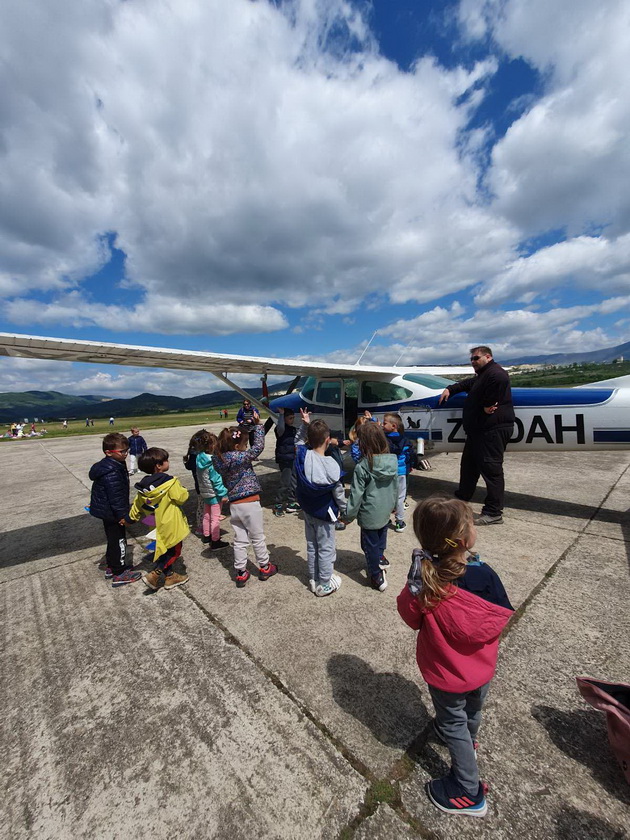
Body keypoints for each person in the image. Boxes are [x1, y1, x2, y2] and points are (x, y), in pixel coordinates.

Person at [397, 496, 513, 817]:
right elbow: (499, 616)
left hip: (446, 675)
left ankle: (466, 787)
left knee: (452, 723)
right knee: (471, 712)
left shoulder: (424, 580)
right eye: (472, 522)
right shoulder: (485, 574)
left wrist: (413, 589)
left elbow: (410, 617)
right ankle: (469, 744)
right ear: (463, 540)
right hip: (481, 669)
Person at [438, 346, 515, 526]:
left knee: (491, 469)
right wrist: (450, 388)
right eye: (471, 359)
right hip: (478, 431)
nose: (473, 361)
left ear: (488, 357)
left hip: (491, 430)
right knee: (468, 465)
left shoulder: (496, 374)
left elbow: (489, 397)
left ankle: (494, 512)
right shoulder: (484, 375)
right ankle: (462, 497)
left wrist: (484, 406)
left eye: (476, 358)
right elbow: (468, 384)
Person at [214, 425, 277, 588]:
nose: (246, 448)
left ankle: (241, 572)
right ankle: (265, 567)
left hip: (235, 505)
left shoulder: (220, 459)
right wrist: (259, 427)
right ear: (236, 447)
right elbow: (258, 447)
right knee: (257, 537)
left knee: (240, 540)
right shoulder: (239, 457)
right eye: (244, 445)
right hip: (250, 502)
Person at [294, 409, 344, 597]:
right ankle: (324, 583)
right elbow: (338, 493)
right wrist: (346, 511)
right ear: (327, 439)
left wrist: (305, 424)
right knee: (326, 547)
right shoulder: (331, 465)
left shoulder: (302, 456)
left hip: (307, 509)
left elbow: (298, 442)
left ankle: (314, 577)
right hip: (324, 512)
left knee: (312, 544)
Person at [128, 447, 190, 590]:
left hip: (154, 524)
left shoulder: (143, 487)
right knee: (174, 550)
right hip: (170, 525)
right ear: (159, 466)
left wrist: (131, 518)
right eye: (166, 460)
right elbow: (181, 498)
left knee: (163, 550)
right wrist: (184, 490)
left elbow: (137, 505)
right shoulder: (170, 482)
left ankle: (170, 577)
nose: (168, 462)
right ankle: (156, 574)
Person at [345, 422, 398, 592]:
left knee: (368, 545)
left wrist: (348, 516)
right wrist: (395, 504)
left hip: (369, 514)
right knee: (381, 538)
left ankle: (376, 576)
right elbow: (396, 486)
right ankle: (380, 558)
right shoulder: (392, 461)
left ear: (364, 443)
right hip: (385, 510)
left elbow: (356, 495)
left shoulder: (363, 466)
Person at [88, 432, 142, 587]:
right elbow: (116, 497)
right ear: (108, 452)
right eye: (122, 451)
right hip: (112, 512)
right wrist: (124, 516)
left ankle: (111, 566)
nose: (126, 454)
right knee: (119, 541)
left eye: (127, 450)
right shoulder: (112, 471)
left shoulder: (112, 464)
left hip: (106, 510)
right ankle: (119, 572)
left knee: (112, 539)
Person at [191, 429, 229, 549]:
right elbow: (216, 481)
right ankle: (215, 540)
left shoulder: (199, 458)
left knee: (206, 515)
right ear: (212, 445)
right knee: (215, 518)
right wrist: (223, 494)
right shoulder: (212, 462)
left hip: (204, 492)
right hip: (214, 494)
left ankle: (206, 535)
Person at [382, 412, 415, 533]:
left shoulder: (384, 439)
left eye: (384, 423)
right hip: (401, 472)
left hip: (388, 471)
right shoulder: (405, 440)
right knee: (400, 498)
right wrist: (411, 466)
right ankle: (400, 522)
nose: (382, 425)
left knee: (387, 497)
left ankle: (385, 519)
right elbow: (411, 455)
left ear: (393, 425)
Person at [273, 408, 300, 516]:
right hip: (284, 459)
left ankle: (291, 502)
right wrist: (281, 415)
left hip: (292, 458)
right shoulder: (280, 430)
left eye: (293, 418)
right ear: (284, 419)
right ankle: (278, 504)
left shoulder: (293, 429)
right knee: (285, 482)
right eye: (290, 418)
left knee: (293, 481)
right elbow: (280, 427)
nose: (292, 420)